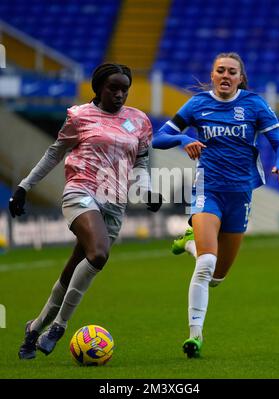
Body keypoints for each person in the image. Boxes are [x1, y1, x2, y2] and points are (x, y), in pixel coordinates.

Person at [9, 63, 163, 360]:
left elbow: (141, 162)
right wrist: (24, 186)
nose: (120, 95)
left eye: (124, 90)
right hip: (82, 190)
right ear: (98, 89)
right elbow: (54, 152)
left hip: (115, 203)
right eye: (113, 89)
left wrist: (147, 190)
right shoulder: (79, 116)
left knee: (73, 270)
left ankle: (34, 328)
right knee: (99, 253)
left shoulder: (139, 120)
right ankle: (58, 327)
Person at [152, 52, 279, 358]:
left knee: (217, 277)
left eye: (232, 71)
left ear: (240, 78)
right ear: (213, 74)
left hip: (240, 195)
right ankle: (195, 336)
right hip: (208, 191)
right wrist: (182, 141)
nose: (226, 75)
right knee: (206, 266)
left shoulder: (255, 105)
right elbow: (159, 137)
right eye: (221, 70)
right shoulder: (197, 105)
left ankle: (191, 244)